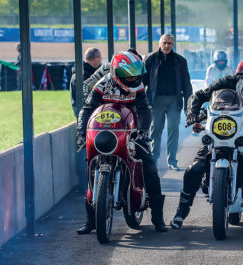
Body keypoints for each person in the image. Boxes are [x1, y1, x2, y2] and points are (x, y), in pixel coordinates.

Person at [170, 72, 243, 229]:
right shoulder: (228, 81)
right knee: (195, 168)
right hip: (218, 129)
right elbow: (199, 96)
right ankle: (181, 211)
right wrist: (192, 114)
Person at [76, 51, 168, 233]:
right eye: (128, 72)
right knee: (90, 167)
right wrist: (80, 132)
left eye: (135, 71)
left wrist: (142, 130)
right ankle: (90, 220)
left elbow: (145, 109)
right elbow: (87, 108)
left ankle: (158, 218)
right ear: (116, 72)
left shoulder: (138, 86)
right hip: (106, 133)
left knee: (149, 166)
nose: (133, 76)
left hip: (131, 132)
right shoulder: (103, 85)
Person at [142, 34, 193, 171]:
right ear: (159, 44)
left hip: (174, 100)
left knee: (173, 130)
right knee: (156, 130)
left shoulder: (180, 61)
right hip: (156, 99)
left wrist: (189, 105)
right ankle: (154, 160)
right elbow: (143, 81)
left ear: (173, 45)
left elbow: (186, 84)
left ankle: (172, 161)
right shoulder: (150, 59)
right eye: (164, 42)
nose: (167, 45)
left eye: (170, 43)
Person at [70, 47, 102, 117]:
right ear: (95, 58)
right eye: (99, 57)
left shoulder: (81, 73)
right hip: (86, 114)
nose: (100, 60)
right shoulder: (82, 76)